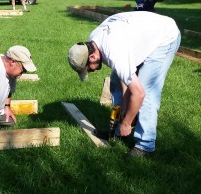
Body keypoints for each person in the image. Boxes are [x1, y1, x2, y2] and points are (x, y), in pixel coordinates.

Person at [67, 11, 181, 156]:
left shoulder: (113, 52)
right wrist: (125, 111)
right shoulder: (94, 40)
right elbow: (123, 78)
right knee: (115, 79)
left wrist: (127, 123)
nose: (90, 71)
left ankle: (145, 145)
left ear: (92, 56)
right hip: (142, 37)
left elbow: (139, 93)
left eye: (87, 68)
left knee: (147, 89)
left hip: (164, 37)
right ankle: (116, 127)